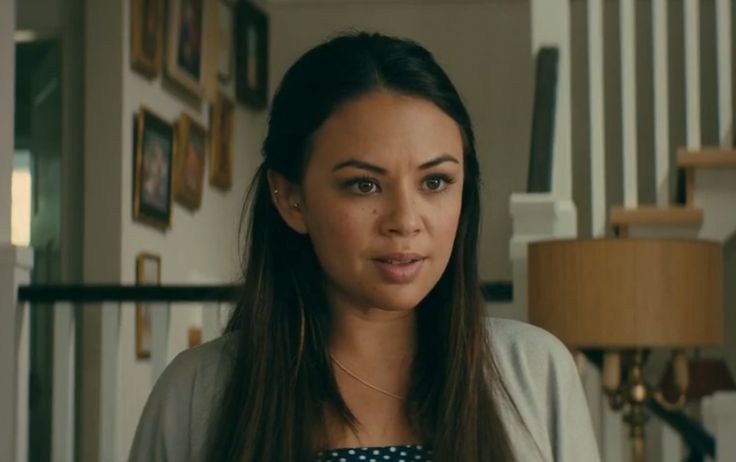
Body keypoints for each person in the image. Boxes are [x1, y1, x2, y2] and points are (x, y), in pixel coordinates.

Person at [128, 32, 601, 462]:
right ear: (291, 199)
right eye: (364, 186)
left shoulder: (536, 374)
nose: (405, 221)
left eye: (435, 181)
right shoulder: (196, 393)